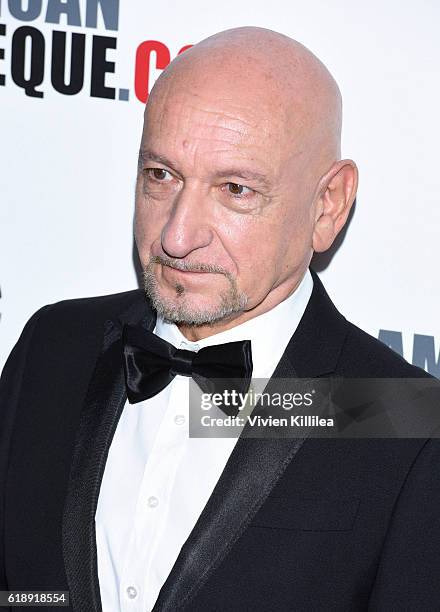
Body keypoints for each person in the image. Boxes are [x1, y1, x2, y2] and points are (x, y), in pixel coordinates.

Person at [1, 25, 439, 612]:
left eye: (235, 189)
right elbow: (19, 589)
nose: (177, 237)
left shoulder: (403, 420)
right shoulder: (55, 346)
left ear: (327, 204)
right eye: (161, 175)